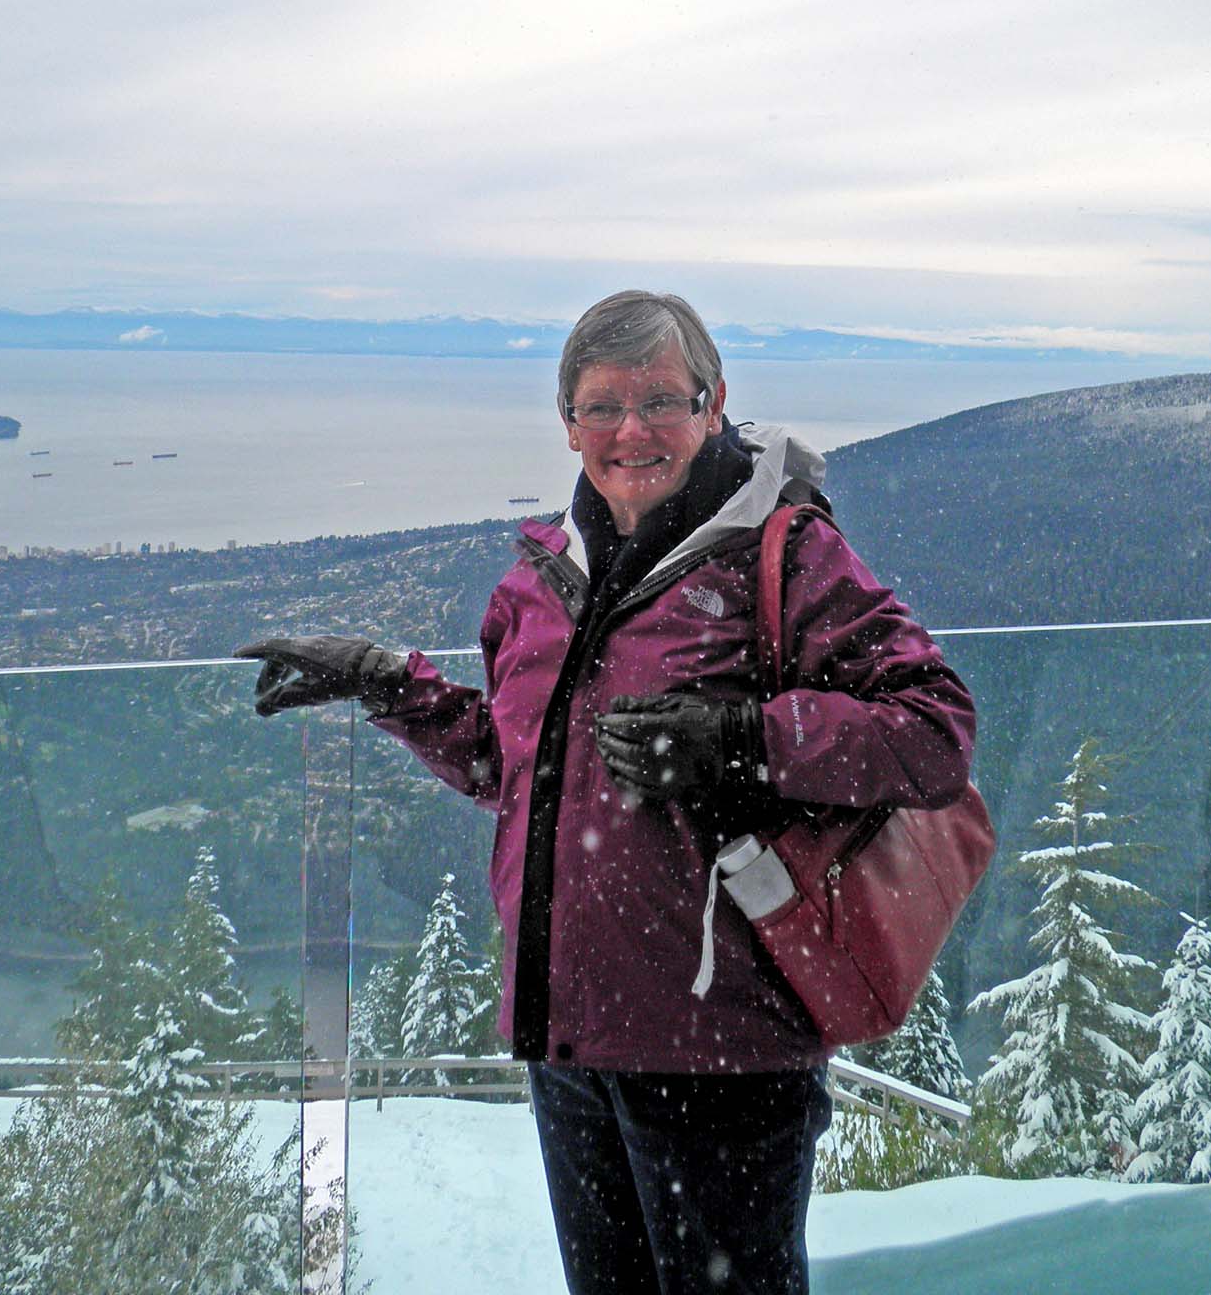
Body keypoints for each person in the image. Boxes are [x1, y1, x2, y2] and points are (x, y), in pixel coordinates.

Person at [238, 290, 975, 1295]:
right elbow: (516, 771)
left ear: (711, 408)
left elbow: (934, 731)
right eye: (601, 406)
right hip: (569, 1044)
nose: (630, 431)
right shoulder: (538, 583)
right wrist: (382, 678)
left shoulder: (784, 556)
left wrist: (741, 741)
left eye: (660, 401)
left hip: (723, 1053)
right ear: (566, 423)